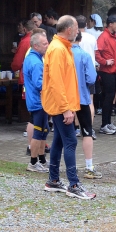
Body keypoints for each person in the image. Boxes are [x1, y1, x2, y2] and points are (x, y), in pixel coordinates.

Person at [42, 16, 95, 199]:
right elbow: (57, 83)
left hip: (62, 104)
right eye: (77, 29)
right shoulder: (58, 49)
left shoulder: (63, 47)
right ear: (69, 30)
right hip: (60, 105)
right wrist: (66, 108)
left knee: (58, 140)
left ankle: (54, 180)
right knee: (71, 142)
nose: (79, 31)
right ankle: (73, 184)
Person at [72, 30, 101, 179]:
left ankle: (64, 167)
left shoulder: (62, 53)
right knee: (87, 133)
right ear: (80, 38)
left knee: (64, 134)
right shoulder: (84, 55)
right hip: (82, 98)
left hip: (65, 99)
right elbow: (91, 78)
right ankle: (89, 167)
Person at [95, 14, 116, 135]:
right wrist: (104, 62)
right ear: (111, 24)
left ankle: (108, 123)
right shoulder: (103, 36)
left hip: (115, 71)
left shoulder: (115, 36)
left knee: (111, 98)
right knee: (108, 98)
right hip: (107, 72)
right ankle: (104, 124)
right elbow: (96, 52)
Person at [24, 31, 50, 173]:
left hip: (37, 101)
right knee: (39, 132)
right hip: (38, 102)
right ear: (35, 46)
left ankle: (42, 159)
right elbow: (40, 84)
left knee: (44, 130)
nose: (47, 46)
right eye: (44, 44)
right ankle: (33, 163)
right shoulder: (36, 62)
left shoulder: (33, 58)